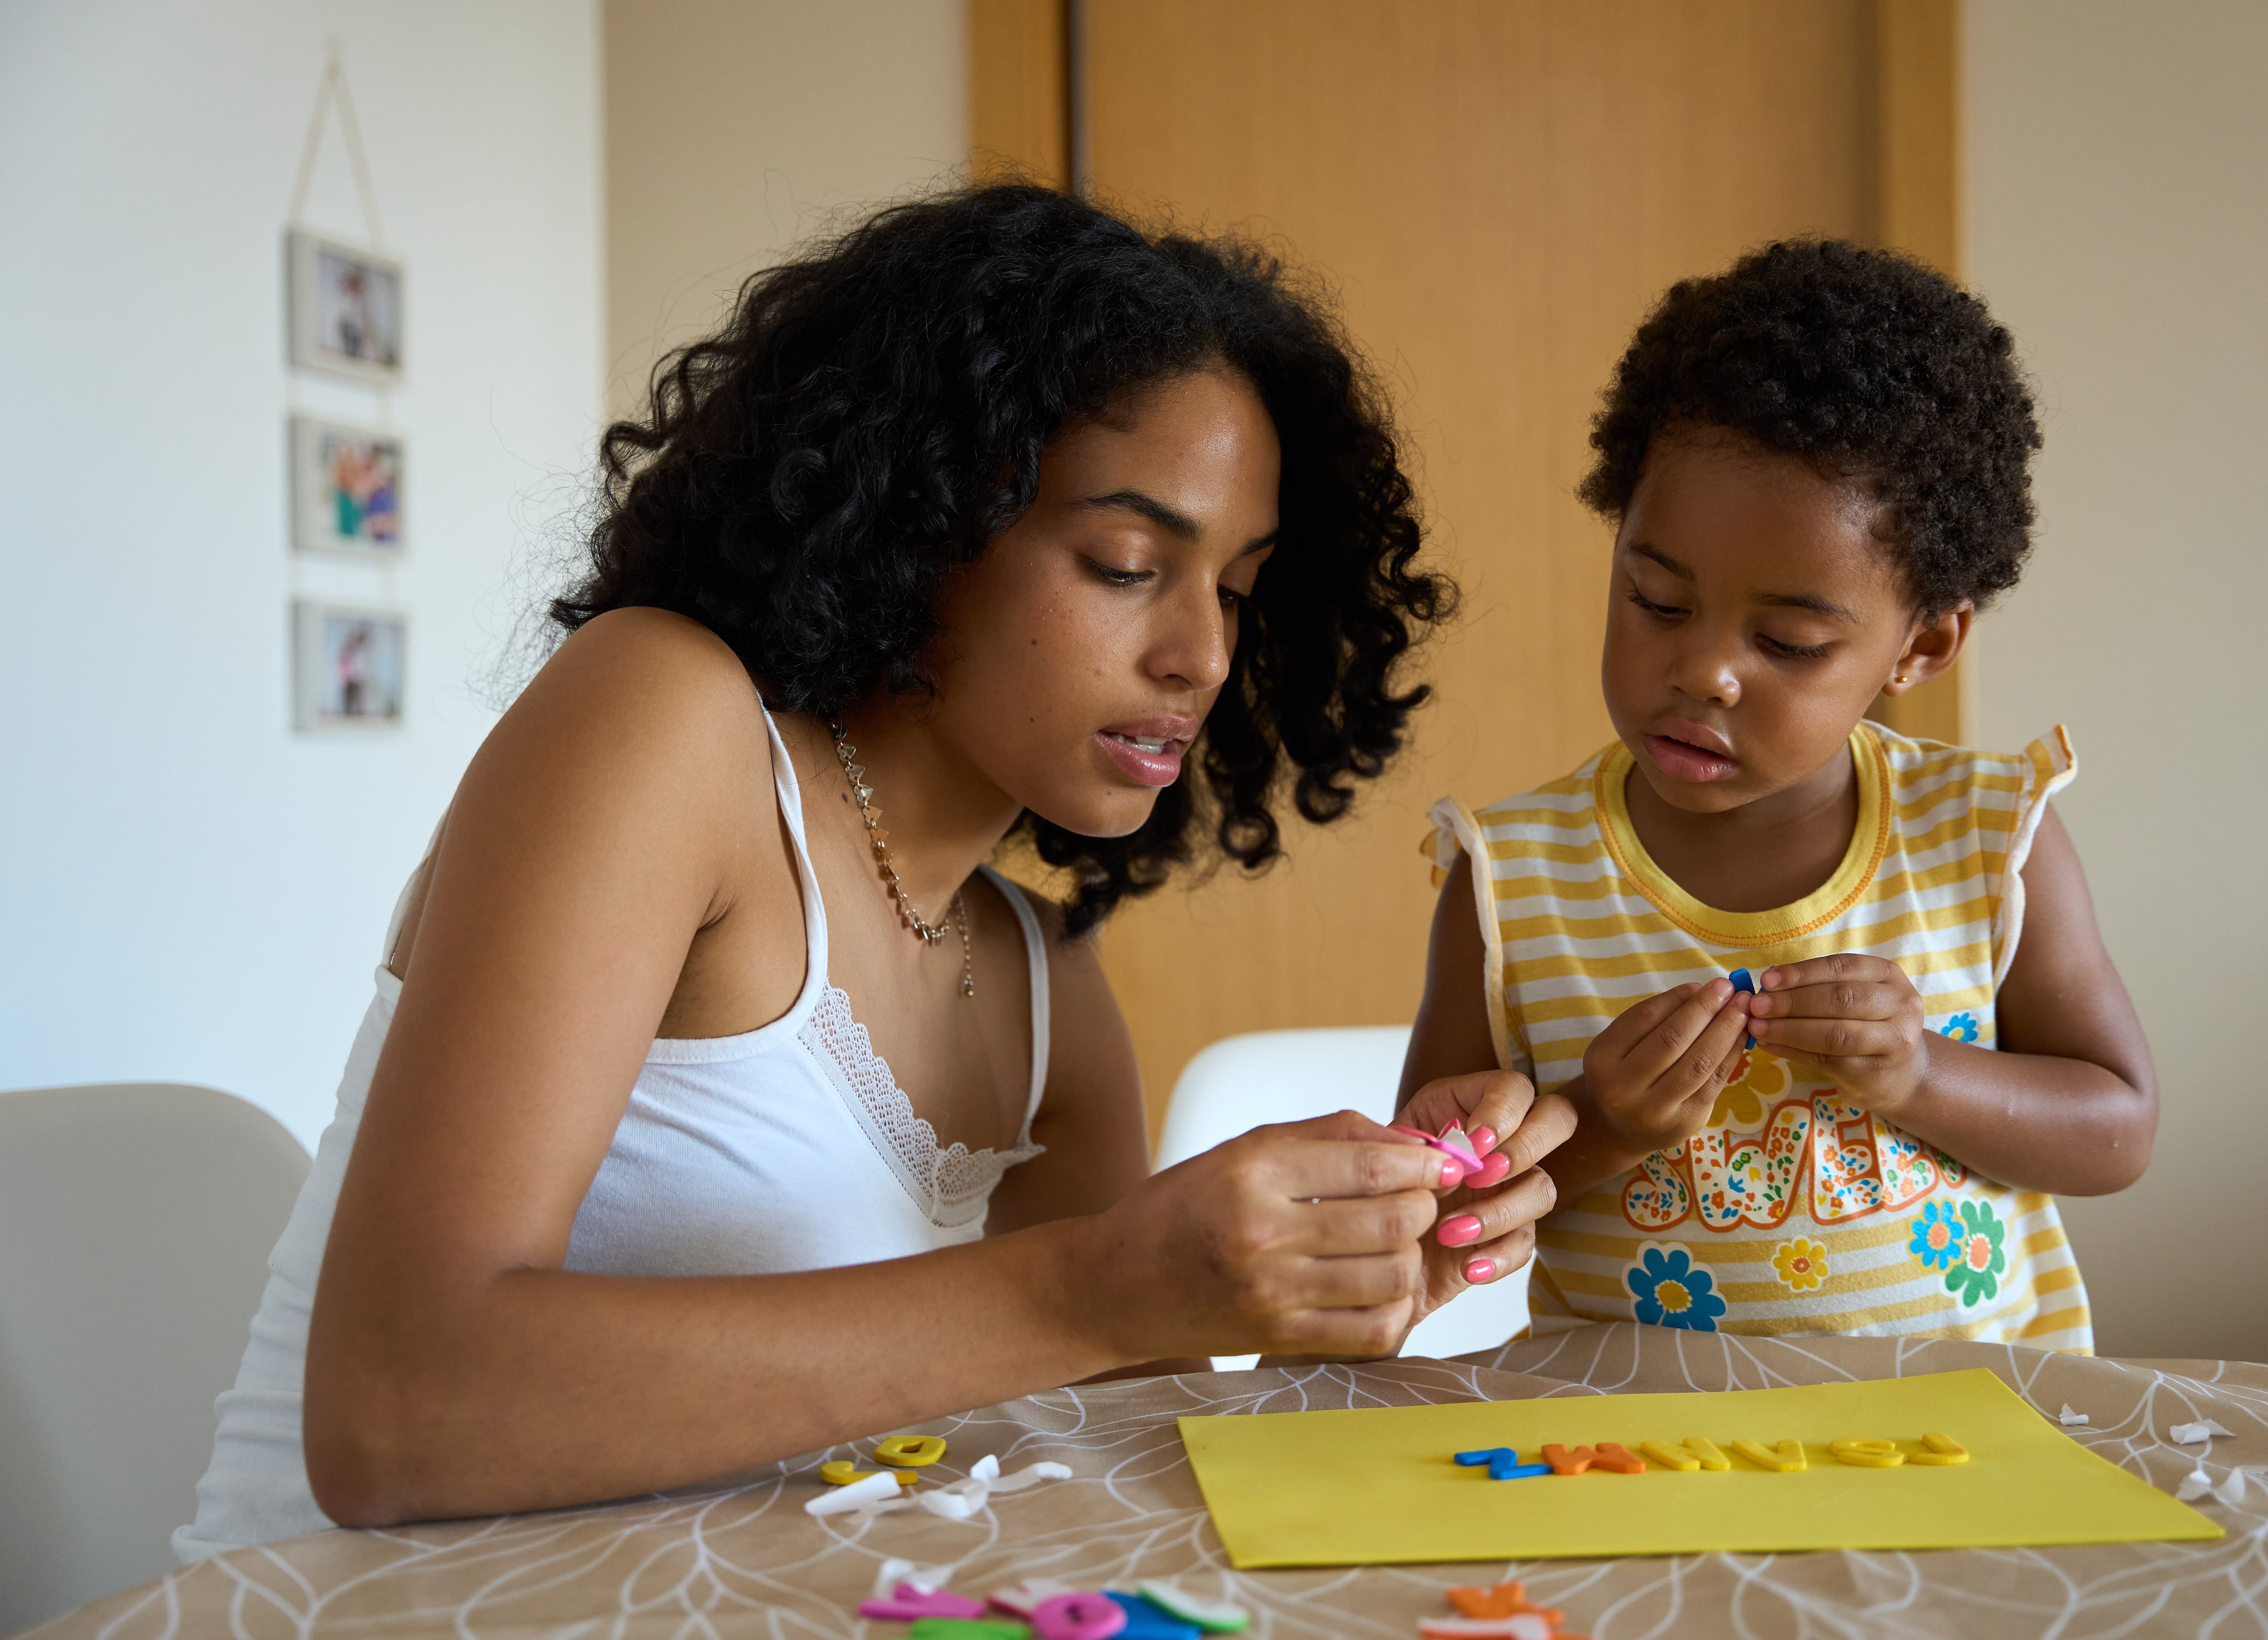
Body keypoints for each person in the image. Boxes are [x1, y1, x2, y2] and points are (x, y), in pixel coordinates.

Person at [179, 185, 1573, 1559]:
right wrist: (1101, 1284)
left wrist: (1327, 1270)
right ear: (920, 519)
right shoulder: (667, 725)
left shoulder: (1046, 995)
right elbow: (396, 1410)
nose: (1200, 656)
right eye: (1126, 560)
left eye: (1239, 588)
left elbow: (1107, 1487)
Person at [1402, 239, 2155, 1352]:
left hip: (1962, 1450)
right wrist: (1605, 1125)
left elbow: (2117, 1131)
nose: (1704, 670)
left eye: (1788, 640)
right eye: (1658, 601)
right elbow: (1433, 1206)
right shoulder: (1512, 881)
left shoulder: (1987, 841)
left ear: (1923, 643)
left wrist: (1922, 1071)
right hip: (1632, 1452)